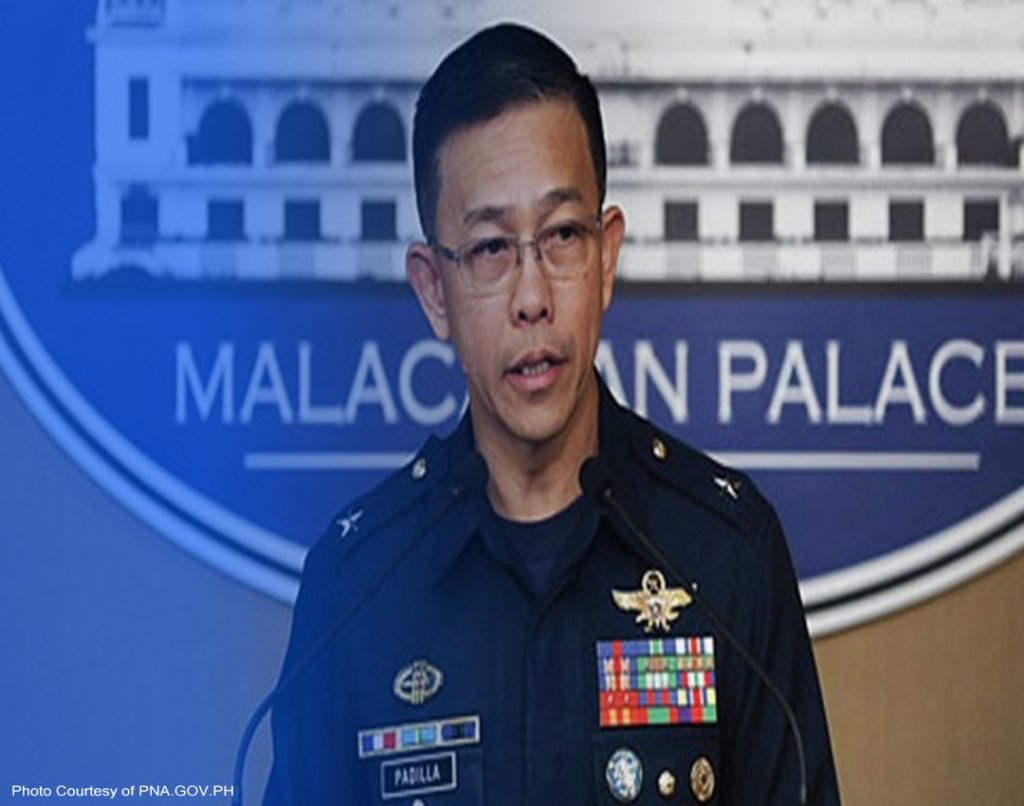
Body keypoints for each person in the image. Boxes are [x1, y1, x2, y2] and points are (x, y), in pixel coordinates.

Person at [264, 22, 840, 805]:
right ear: (434, 291)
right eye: (491, 249)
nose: (532, 298)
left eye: (563, 235)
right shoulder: (356, 589)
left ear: (606, 257)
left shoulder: (727, 554)